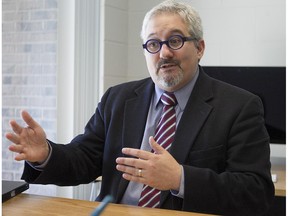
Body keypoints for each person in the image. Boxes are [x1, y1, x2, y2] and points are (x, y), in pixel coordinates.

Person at [6, 0, 274, 215]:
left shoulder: (240, 106)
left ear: (200, 47)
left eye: (175, 40)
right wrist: (45, 154)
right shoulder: (119, 98)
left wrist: (179, 178)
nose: (164, 53)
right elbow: (85, 159)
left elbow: (256, 193)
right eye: (153, 44)